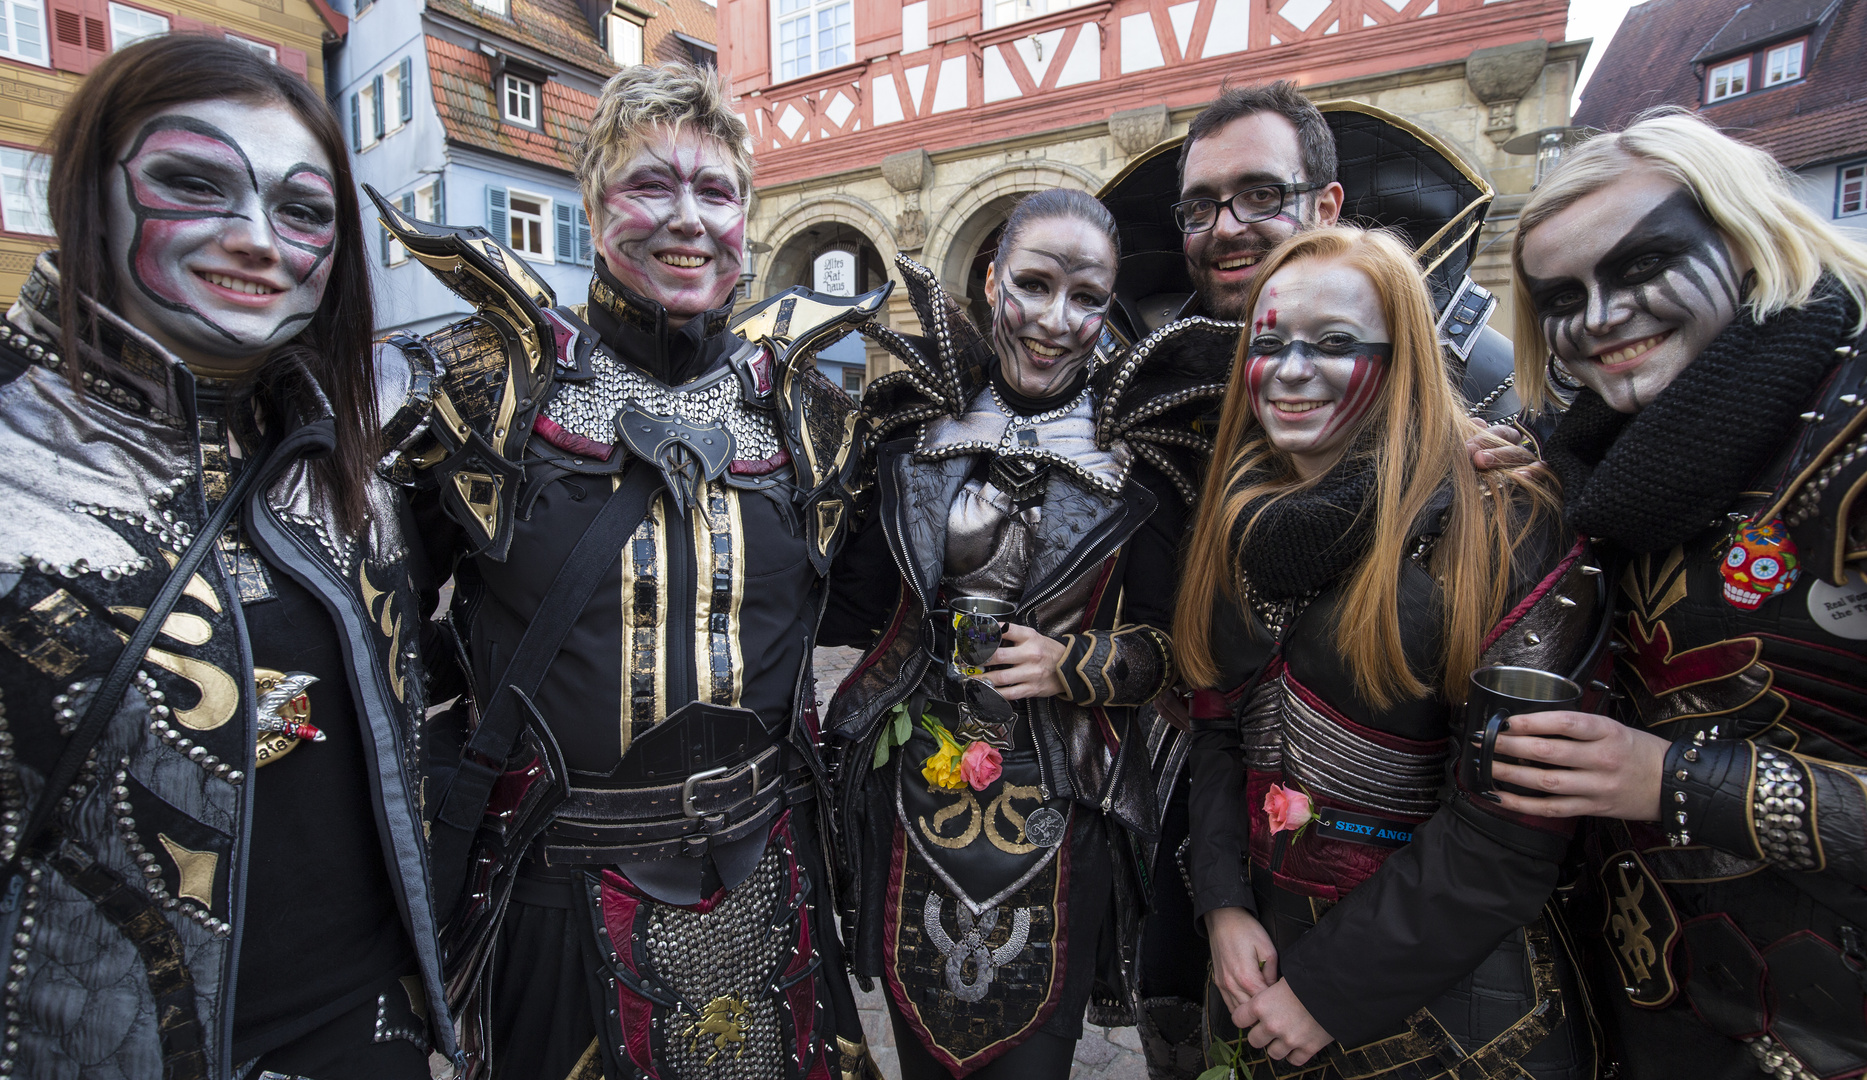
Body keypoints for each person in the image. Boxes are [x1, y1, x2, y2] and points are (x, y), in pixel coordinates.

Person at [375, 61, 886, 1080]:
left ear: (749, 214)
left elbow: (876, 602)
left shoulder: (807, 413)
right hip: (556, 885)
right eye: (650, 186)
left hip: (767, 872)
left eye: (717, 191)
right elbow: (366, 627)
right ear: (592, 203)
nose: (687, 220)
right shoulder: (488, 396)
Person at [0, 34, 456, 1080]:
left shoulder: (351, 461)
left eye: (302, 210)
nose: (256, 239)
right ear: (90, 192)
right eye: (191, 184)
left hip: (366, 1038)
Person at [1488, 109, 1867, 1080]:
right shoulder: (1591, 463)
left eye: (1643, 264)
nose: (1601, 317)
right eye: (1561, 297)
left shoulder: (1849, 434)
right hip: (1654, 1013)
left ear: (1743, 240)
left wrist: (1676, 782)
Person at [1174, 225, 1601, 1078]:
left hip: (1449, 1007)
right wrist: (1222, 905)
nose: (1292, 370)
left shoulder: (1502, 519)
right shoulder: (1235, 516)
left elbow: (1512, 826)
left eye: (1335, 343)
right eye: (1268, 343)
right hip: (1258, 968)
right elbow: (1217, 733)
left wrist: (1330, 989)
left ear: (1400, 352)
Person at [819, 188, 1220, 1079]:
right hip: (906, 795)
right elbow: (850, 604)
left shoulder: (1143, 462)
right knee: (921, 1044)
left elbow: (1176, 648)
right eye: (1033, 284)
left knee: (1033, 1046)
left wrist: (1071, 663)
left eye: (1084, 298)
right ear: (992, 280)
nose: (1054, 320)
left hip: (1063, 803)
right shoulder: (907, 434)